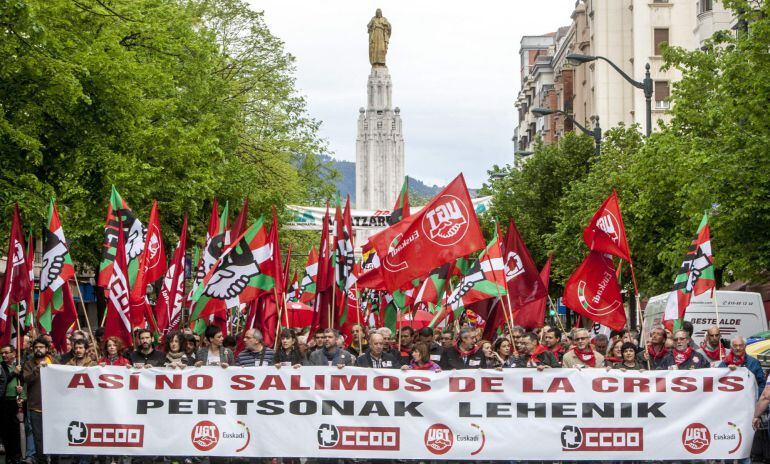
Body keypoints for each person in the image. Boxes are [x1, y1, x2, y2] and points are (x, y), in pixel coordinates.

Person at [23, 337, 55, 464]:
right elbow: (26, 379)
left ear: (47, 349)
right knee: (38, 437)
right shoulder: (29, 364)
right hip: (36, 406)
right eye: (36, 347)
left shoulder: (54, 362)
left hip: (53, 406)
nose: (38, 349)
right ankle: (41, 460)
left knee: (53, 434)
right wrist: (37, 369)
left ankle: (54, 459)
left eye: (41, 347)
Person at [1, 344, 24, 464]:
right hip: (4, 402)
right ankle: (9, 456)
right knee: (6, 431)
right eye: (2, 353)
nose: (3, 355)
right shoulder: (1, 367)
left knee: (16, 431)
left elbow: (23, 382)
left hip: (16, 402)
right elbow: (3, 381)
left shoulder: (18, 365)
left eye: (6, 352)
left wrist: (21, 390)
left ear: (13, 353)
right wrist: (14, 373)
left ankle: (16, 456)